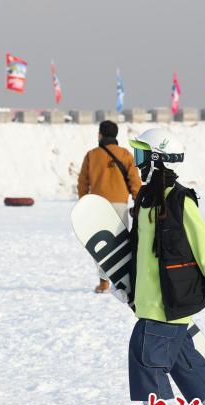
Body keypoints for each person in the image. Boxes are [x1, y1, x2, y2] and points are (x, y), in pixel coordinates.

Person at [118, 128, 205, 405]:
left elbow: (202, 243)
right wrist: (128, 284)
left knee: (145, 349)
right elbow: (139, 249)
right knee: (180, 353)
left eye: (141, 155)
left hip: (170, 298)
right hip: (150, 297)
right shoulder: (145, 199)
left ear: (157, 159)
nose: (137, 162)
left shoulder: (181, 200)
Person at [78, 120, 141, 293]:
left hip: (98, 207)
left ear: (100, 134)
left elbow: (83, 183)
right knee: (121, 244)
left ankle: (104, 282)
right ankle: (124, 281)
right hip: (120, 205)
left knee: (100, 246)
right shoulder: (125, 154)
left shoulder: (92, 155)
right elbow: (134, 181)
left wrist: (84, 203)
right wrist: (138, 202)